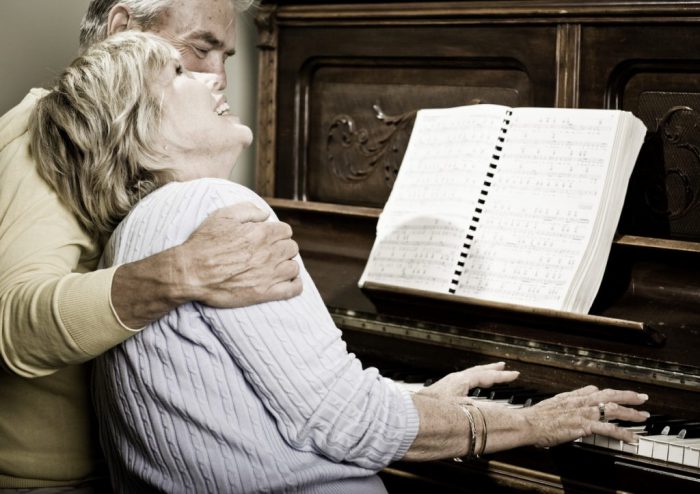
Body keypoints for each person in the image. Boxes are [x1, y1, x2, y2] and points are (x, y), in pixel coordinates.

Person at [30, 31, 651, 493]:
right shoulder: (214, 208)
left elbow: (274, 403)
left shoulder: (137, 232)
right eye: (178, 74)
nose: (213, 78)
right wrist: (529, 423)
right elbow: (346, 424)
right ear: (135, 131)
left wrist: (421, 398)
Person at [0, 0, 301, 490]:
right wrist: (180, 273)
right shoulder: (48, 131)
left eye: (225, 56)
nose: (218, 76)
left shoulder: (144, 158)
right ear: (121, 28)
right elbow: (11, 321)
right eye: (198, 50)